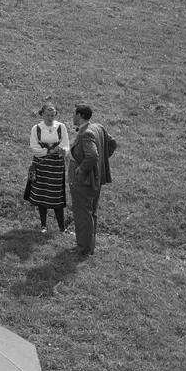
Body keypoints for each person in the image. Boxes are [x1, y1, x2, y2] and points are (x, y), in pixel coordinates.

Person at [68, 104, 118, 256]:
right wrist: (100, 165)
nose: (72, 116)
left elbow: (92, 156)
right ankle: (89, 246)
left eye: (73, 114)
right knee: (91, 212)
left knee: (82, 212)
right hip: (96, 178)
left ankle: (83, 248)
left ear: (80, 115)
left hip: (83, 180)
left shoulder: (86, 134)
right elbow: (112, 143)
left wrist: (82, 169)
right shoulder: (98, 127)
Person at [28, 101, 71, 233]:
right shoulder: (36, 129)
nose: (51, 117)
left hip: (56, 166)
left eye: (53, 115)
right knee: (42, 194)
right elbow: (34, 148)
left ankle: (61, 227)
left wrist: (62, 150)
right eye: (48, 115)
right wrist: (49, 152)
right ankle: (43, 225)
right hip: (42, 165)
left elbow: (66, 144)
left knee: (56, 195)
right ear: (42, 115)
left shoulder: (61, 127)